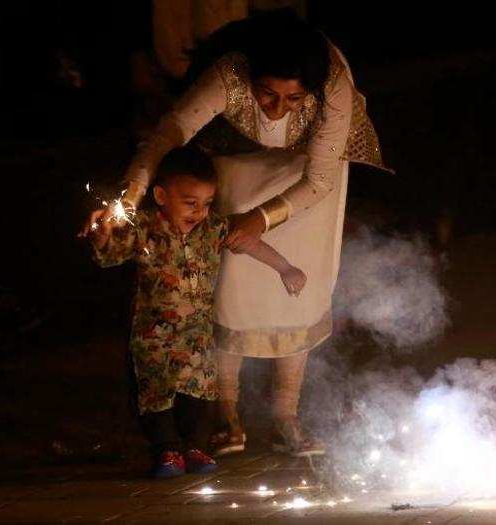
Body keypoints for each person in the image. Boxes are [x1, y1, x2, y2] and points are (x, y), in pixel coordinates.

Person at [82, 9, 389, 457]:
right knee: (229, 283)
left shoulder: (332, 86)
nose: (278, 110)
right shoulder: (228, 75)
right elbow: (169, 133)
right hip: (237, 158)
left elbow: (318, 182)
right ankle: (226, 414)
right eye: (267, 95)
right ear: (251, 77)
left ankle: (286, 415)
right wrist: (124, 202)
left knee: (299, 286)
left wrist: (262, 220)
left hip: (309, 178)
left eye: (293, 98)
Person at [86, 147, 307, 477]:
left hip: (197, 338)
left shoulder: (212, 230)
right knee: (156, 395)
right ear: (161, 195)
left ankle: (195, 447)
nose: (199, 212)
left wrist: (285, 267)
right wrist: (101, 233)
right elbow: (110, 253)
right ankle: (166, 451)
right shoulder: (143, 228)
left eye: (206, 203)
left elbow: (250, 241)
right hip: (153, 337)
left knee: (200, 393)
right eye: (190, 203)